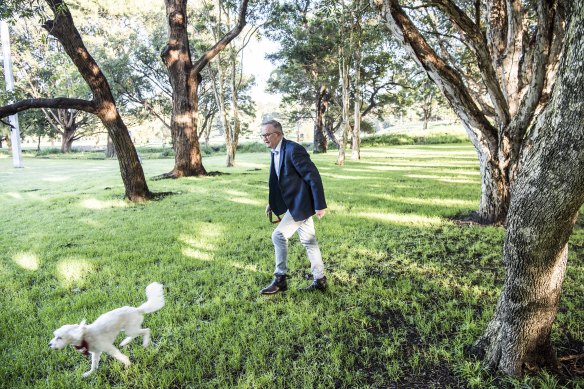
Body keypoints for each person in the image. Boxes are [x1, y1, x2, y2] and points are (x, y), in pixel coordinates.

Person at [259, 119, 328, 294]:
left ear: (278, 134)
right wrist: (272, 203)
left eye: (267, 134)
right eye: (262, 135)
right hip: (295, 203)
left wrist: (320, 205)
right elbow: (283, 181)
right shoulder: (275, 151)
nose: (264, 138)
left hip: (302, 204)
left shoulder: (293, 149)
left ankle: (280, 279)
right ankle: (320, 280)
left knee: (278, 236)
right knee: (309, 242)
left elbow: (313, 176)